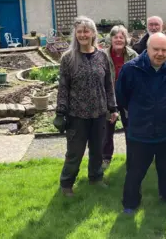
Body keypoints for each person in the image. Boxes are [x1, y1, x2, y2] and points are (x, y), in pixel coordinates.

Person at [116, 32, 166, 214]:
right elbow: (121, 96)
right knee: (135, 171)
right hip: (140, 130)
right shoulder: (131, 69)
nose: (160, 53)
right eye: (156, 49)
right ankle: (130, 204)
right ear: (147, 48)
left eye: (164, 50)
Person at [53, 16, 118, 197]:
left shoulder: (102, 56)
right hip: (76, 114)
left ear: (93, 34)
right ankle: (67, 184)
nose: (83, 34)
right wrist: (60, 112)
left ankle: (96, 178)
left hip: (99, 113)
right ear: (75, 34)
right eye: (79, 31)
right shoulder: (68, 58)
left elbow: (108, 85)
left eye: (86, 31)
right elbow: (63, 87)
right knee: (75, 152)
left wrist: (113, 108)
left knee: (97, 150)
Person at [101, 25, 138, 170]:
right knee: (107, 130)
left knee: (130, 129)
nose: (118, 39)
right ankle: (106, 158)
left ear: (126, 39)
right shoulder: (102, 55)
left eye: (121, 37)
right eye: (115, 36)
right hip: (108, 98)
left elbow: (137, 77)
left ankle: (133, 158)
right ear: (110, 39)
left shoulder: (133, 55)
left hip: (127, 98)